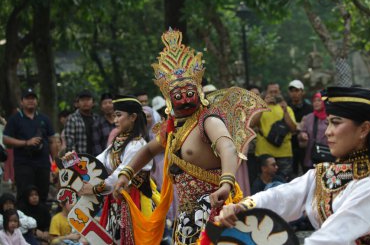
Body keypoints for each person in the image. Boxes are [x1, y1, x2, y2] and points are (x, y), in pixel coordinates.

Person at [113, 29, 253, 244]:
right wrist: (126, 173)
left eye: (190, 93)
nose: (185, 99)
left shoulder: (208, 121)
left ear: (199, 91)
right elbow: (150, 150)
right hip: (187, 214)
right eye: (178, 96)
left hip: (216, 208)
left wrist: (226, 184)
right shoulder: (172, 128)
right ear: (169, 99)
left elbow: (228, 148)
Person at [215, 86, 370, 244]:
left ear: (364, 129)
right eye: (328, 123)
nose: (328, 131)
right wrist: (243, 207)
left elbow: (334, 237)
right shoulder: (323, 174)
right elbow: (283, 196)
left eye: (336, 123)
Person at [78, 95, 159, 244]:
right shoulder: (118, 143)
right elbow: (98, 161)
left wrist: (94, 189)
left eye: (119, 115)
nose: (115, 120)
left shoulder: (137, 145)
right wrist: (75, 162)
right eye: (115, 116)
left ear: (133, 117)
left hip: (135, 200)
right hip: (116, 199)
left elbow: (118, 176)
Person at [3, 88, 56, 202]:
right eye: (27, 98)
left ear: (37, 101)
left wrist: (55, 163)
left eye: (33, 98)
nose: (30, 101)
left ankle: (42, 219)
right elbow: (6, 140)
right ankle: (25, 219)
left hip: (43, 163)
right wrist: (26, 142)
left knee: (43, 195)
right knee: (24, 195)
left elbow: (52, 140)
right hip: (24, 164)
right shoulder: (15, 119)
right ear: (22, 102)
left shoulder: (44, 119)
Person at [253, 91, 297, 181]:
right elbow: (252, 124)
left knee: (286, 183)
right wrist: (262, 106)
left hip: (284, 154)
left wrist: (285, 111)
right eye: (270, 92)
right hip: (264, 153)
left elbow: (293, 129)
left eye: (275, 92)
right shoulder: (259, 108)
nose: (273, 95)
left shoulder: (287, 108)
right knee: (264, 184)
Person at [287, 80, 313, 176]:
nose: (294, 94)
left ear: (302, 92)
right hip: (289, 145)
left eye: (297, 91)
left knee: (306, 172)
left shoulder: (309, 108)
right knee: (291, 174)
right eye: (292, 91)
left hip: (305, 146)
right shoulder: (286, 107)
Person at [298, 92, 329, 172]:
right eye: (314, 101)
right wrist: (303, 135)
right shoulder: (308, 118)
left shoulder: (330, 117)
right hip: (311, 156)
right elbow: (301, 132)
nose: (316, 103)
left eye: (319, 100)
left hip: (327, 155)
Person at [64, 90, 98, 155]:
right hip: (79, 159)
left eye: (88, 100)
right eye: (82, 100)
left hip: (96, 158)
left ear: (93, 103)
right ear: (77, 103)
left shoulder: (96, 118)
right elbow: (69, 143)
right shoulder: (72, 118)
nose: (85, 102)